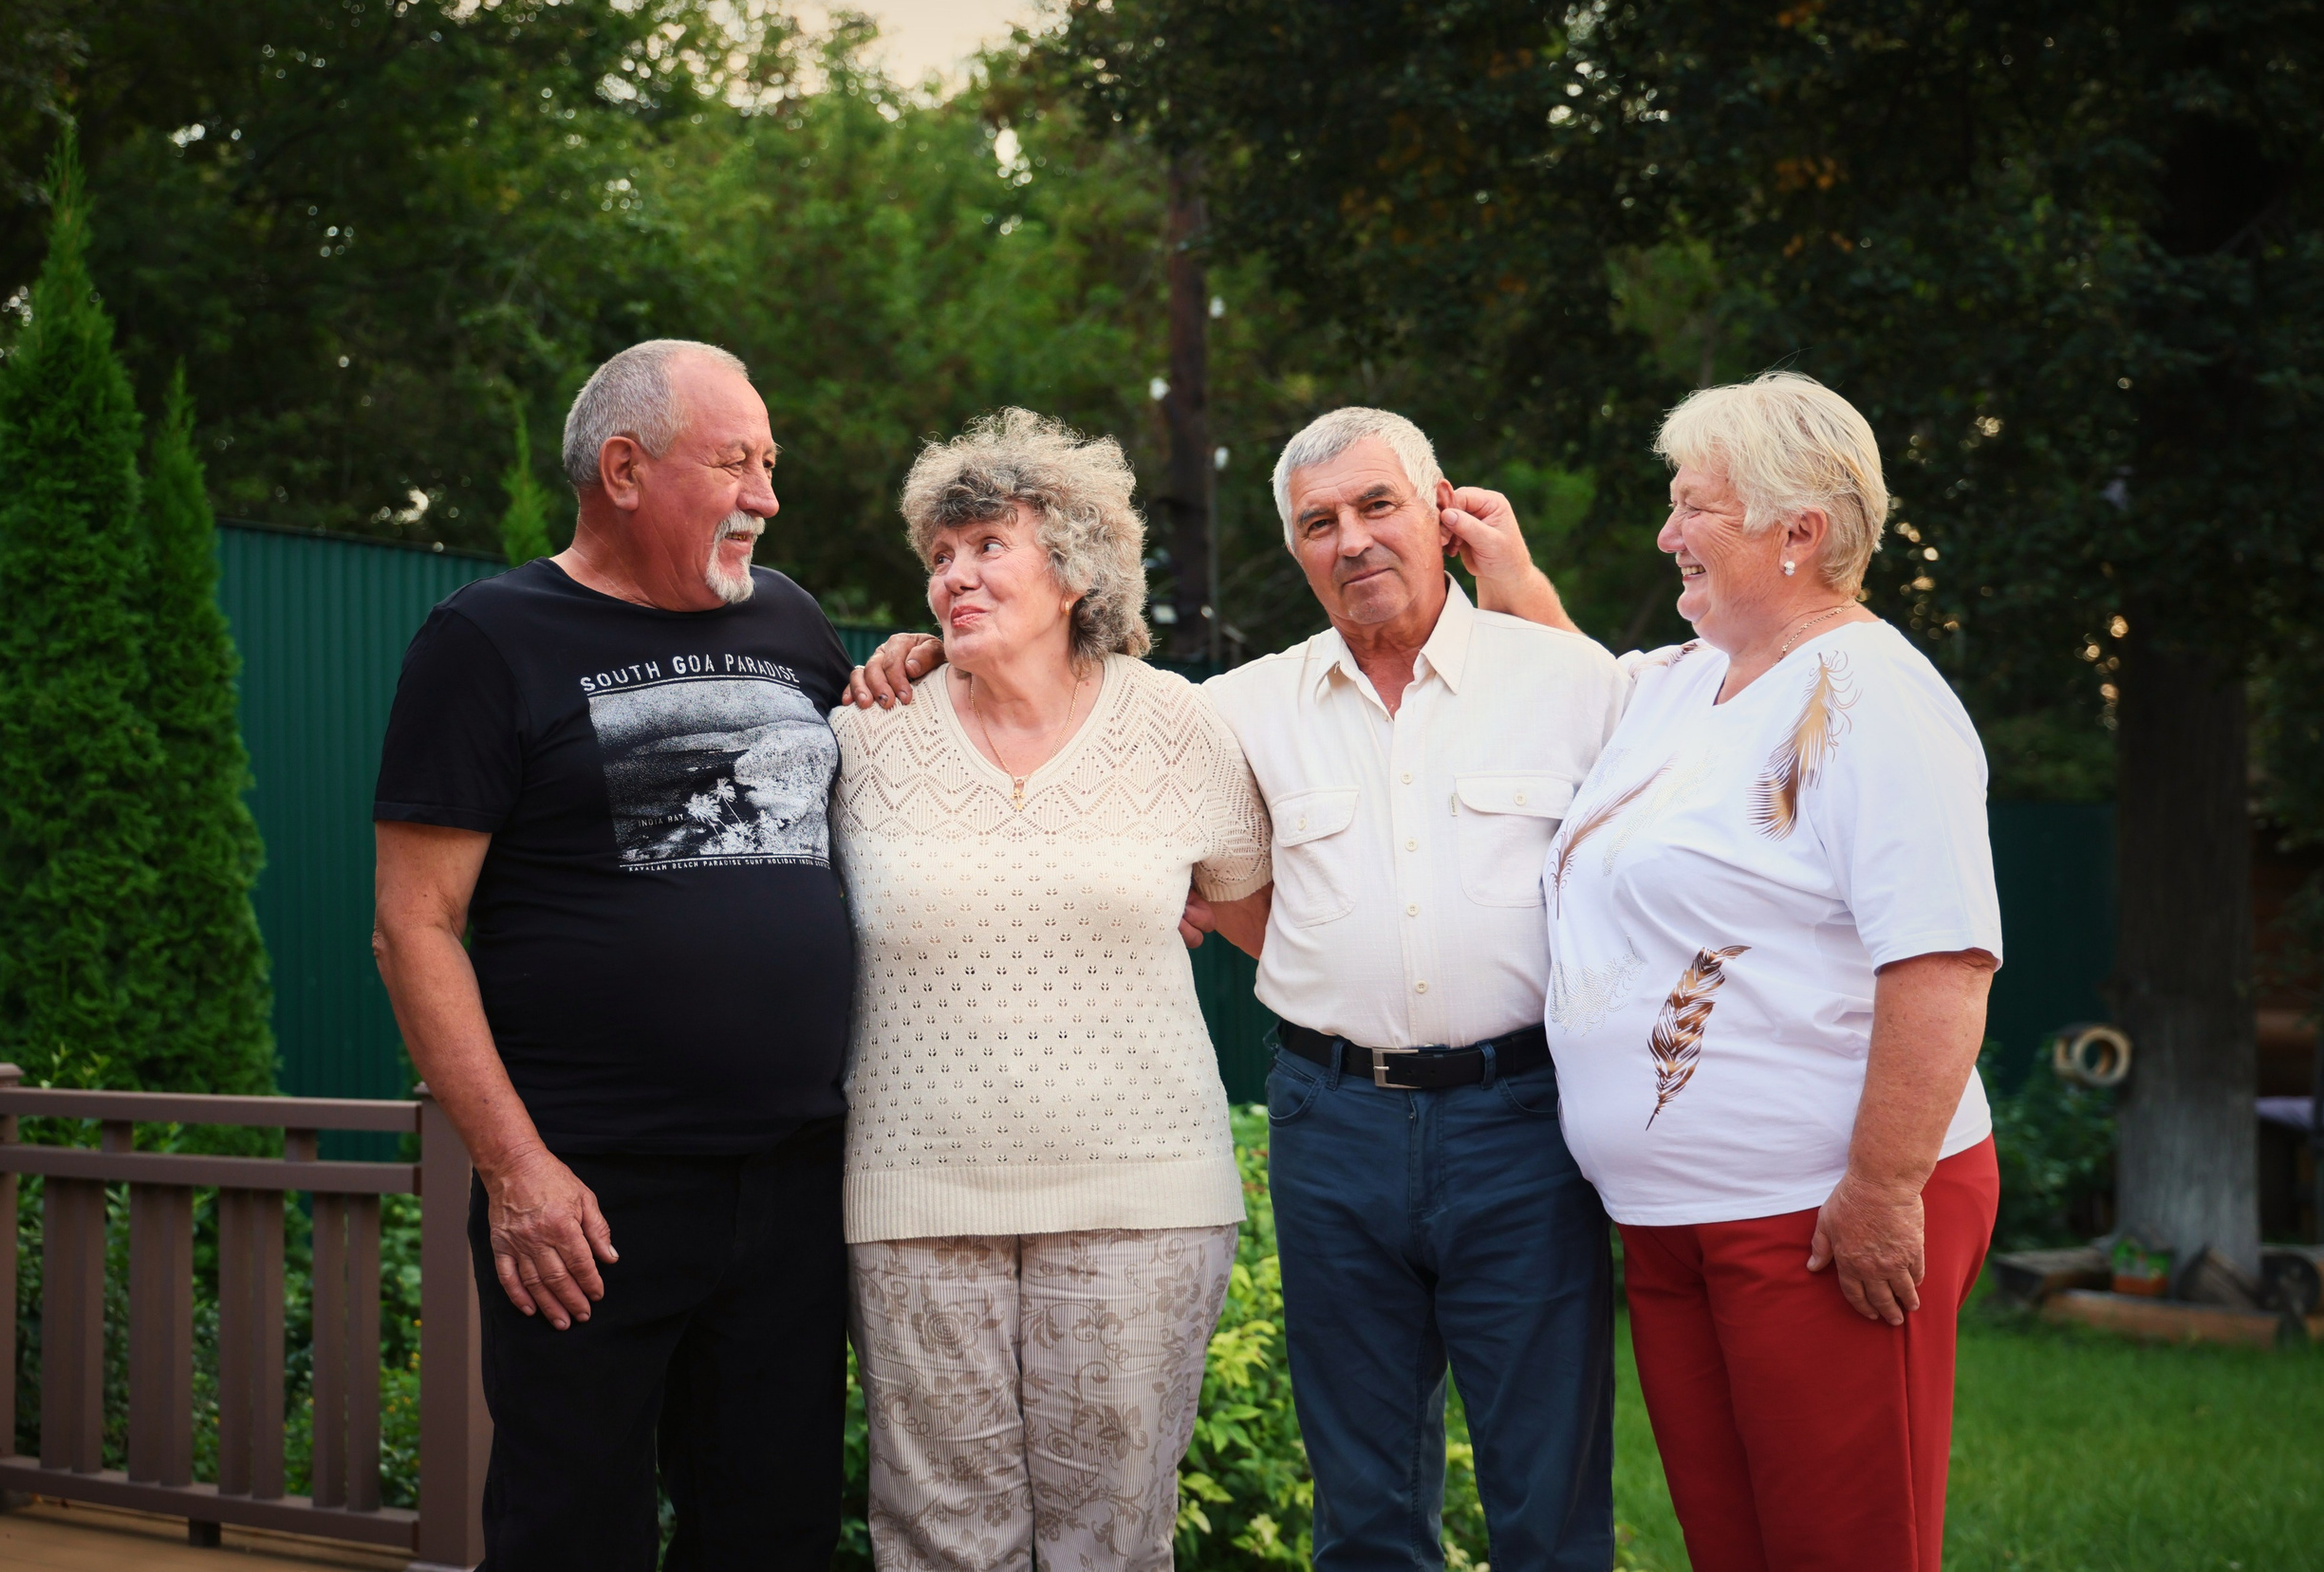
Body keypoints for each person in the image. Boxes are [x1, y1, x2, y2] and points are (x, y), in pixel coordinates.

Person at [852, 406, 1628, 1570]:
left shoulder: (1566, 678)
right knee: (1361, 1497)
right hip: (1338, 1121)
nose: (1352, 539)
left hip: (1522, 1121)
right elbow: (1226, 890)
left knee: (1547, 1487)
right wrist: (924, 651)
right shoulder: (1238, 707)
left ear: (1443, 514)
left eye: (1378, 507)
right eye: (1318, 522)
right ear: (1294, 547)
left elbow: (1644, 816)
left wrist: (1522, 585)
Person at [370, 340, 853, 1571]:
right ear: (625, 468)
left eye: (771, 463)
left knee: (775, 1531)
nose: (767, 495)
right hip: (592, 1195)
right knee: (573, 1530)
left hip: (797, 1180)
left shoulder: (796, 623)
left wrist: (900, 663)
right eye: (737, 461)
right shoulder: (486, 639)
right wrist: (518, 1169)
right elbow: (413, 923)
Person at [1544, 372, 1999, 1571]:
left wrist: (1883, 1186)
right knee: (1735, 1546)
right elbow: (1564, 673)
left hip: (1816, 1212)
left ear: (1797, 533)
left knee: (1846, 1547)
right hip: (1674, 1223)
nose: (1666, 533)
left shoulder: (1875, 696)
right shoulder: (1691, 680)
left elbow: (1943, 960)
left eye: (1694, 507)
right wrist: (1496, 570)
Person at [829, 409, 1273, 1572]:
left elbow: (1254, 915)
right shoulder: (866, 737)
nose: (954, 576)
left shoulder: (1178, 723)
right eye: (939, 556)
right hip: (916, 1195)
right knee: (936, 1540)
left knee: (1112, 1537)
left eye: (986, 547)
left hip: (1144, 1196)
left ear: (1074, 569)